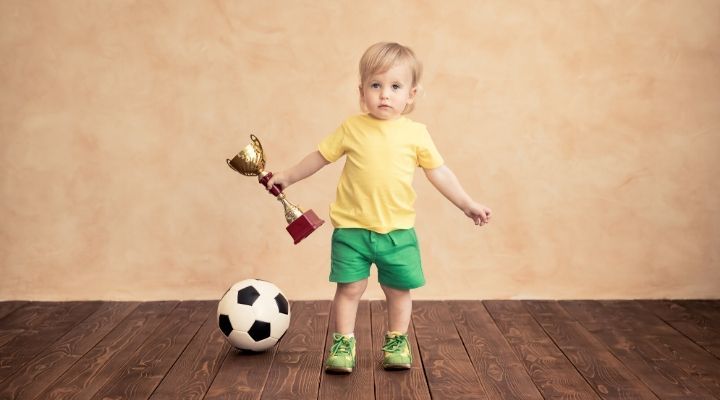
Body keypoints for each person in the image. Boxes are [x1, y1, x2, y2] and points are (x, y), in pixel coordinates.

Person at [265, 42, 492, 373]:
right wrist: (287, 176)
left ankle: (396, 341)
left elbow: (439, 172)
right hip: (352, 230)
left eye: (395, 87)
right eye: (376, 85)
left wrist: (467, 203)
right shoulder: (352, 128)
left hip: (397, 232)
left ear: (411, 94)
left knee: (398, 291)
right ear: (362, 91)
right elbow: (320, 157)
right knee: (349, 289)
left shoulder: (416, 134)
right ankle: (343, 344)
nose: (385, 95)